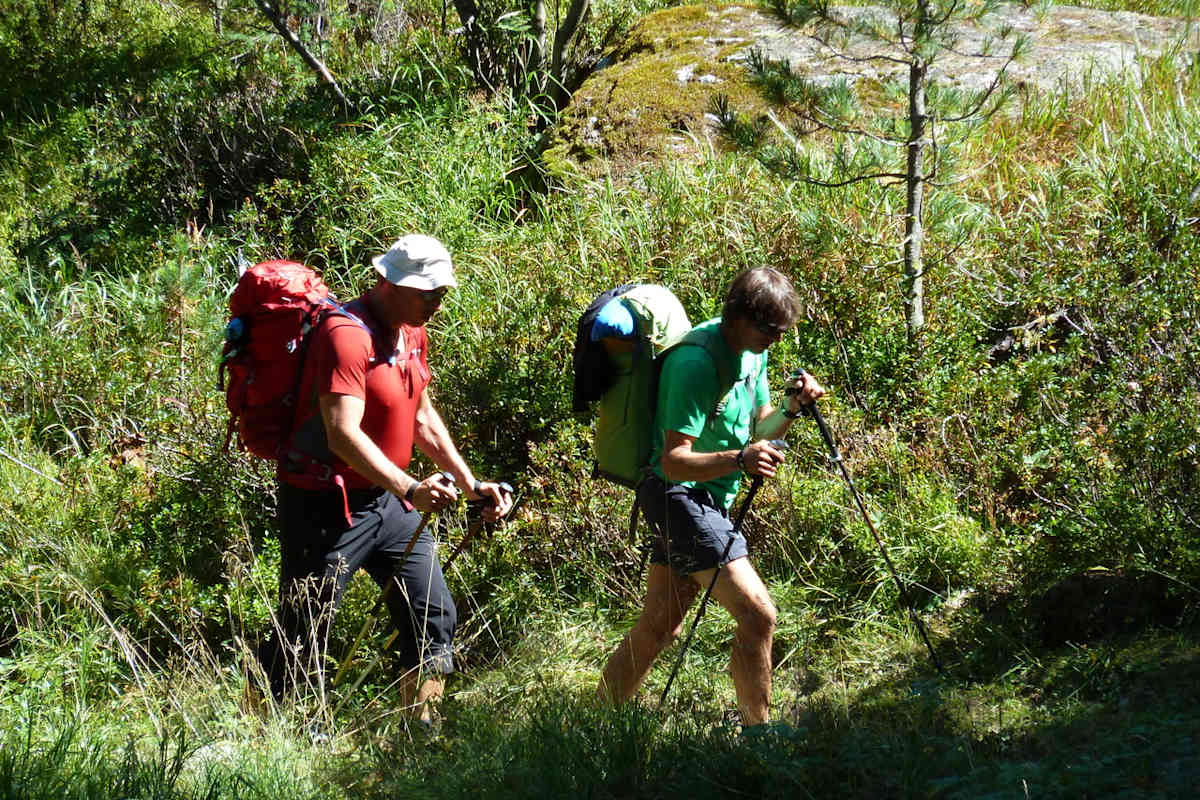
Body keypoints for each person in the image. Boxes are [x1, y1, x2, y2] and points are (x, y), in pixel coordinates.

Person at [259, 234, 513, 724]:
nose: (436, 303)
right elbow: (342, 435)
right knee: (303, 626)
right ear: (388, 283)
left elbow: (420, 415)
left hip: (389, 505)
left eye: (441, 293)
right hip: (325, 506)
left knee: (433, 615)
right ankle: (273, 730)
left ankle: (420, 735)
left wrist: (468, 483)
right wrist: (411, 488)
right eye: (427, 293)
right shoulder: (346, 336)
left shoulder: (410, 330)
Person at [596, 267, 825, 726]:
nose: (776, 341)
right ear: (739, 317)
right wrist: (741, 459)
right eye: (770, 330)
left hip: (704, 497)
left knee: (661, 623)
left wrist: (789, 409)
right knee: (758, 615)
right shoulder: (695, 365)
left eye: (782, 333)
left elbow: (758, 425)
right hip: (677, 496)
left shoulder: (751, 356)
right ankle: (760, 739)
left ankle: (595, 721)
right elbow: (673, 461)